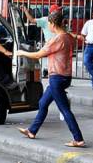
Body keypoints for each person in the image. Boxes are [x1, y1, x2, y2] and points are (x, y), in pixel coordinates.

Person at [17, 12, 85, 148]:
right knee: (43, 103)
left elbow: (38, 55)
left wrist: (22, 52)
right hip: (64, 76)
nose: (48, 26)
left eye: (48, 24)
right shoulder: (67, 36)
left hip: (57, 78)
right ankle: (32, 131)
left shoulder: (58, 39)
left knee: (65, 109)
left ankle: (78, 139)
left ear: (53, 24)